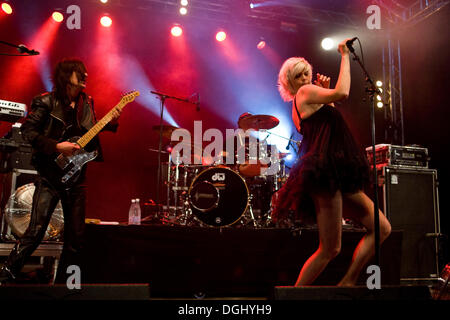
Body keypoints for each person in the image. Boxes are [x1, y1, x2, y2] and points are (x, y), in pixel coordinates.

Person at [274, 39, 392, 286]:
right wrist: (345, 55)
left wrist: (326, 98)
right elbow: (344, 92)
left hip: (336, 171)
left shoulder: (305, 100)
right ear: (291, 83)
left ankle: (348, 281)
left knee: (381, 227)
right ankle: (294, 296)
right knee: (330, 249)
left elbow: (329, 123)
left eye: (307, 72)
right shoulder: (304, 94)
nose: (306, 77)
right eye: (299, 75)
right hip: (325, 173)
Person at [0, 58, 121, 284]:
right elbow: (28, 132)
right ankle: (7, 274)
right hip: (51, 175)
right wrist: (56, 146)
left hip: (77, 177)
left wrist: (112, 121)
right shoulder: (46, 101)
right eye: (79, 73)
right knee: (35, 231)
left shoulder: (87, 102)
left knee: (76, 237)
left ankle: (65, 283)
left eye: (85, 72)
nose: (85, 76)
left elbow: (89, 130)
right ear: (67, 77)